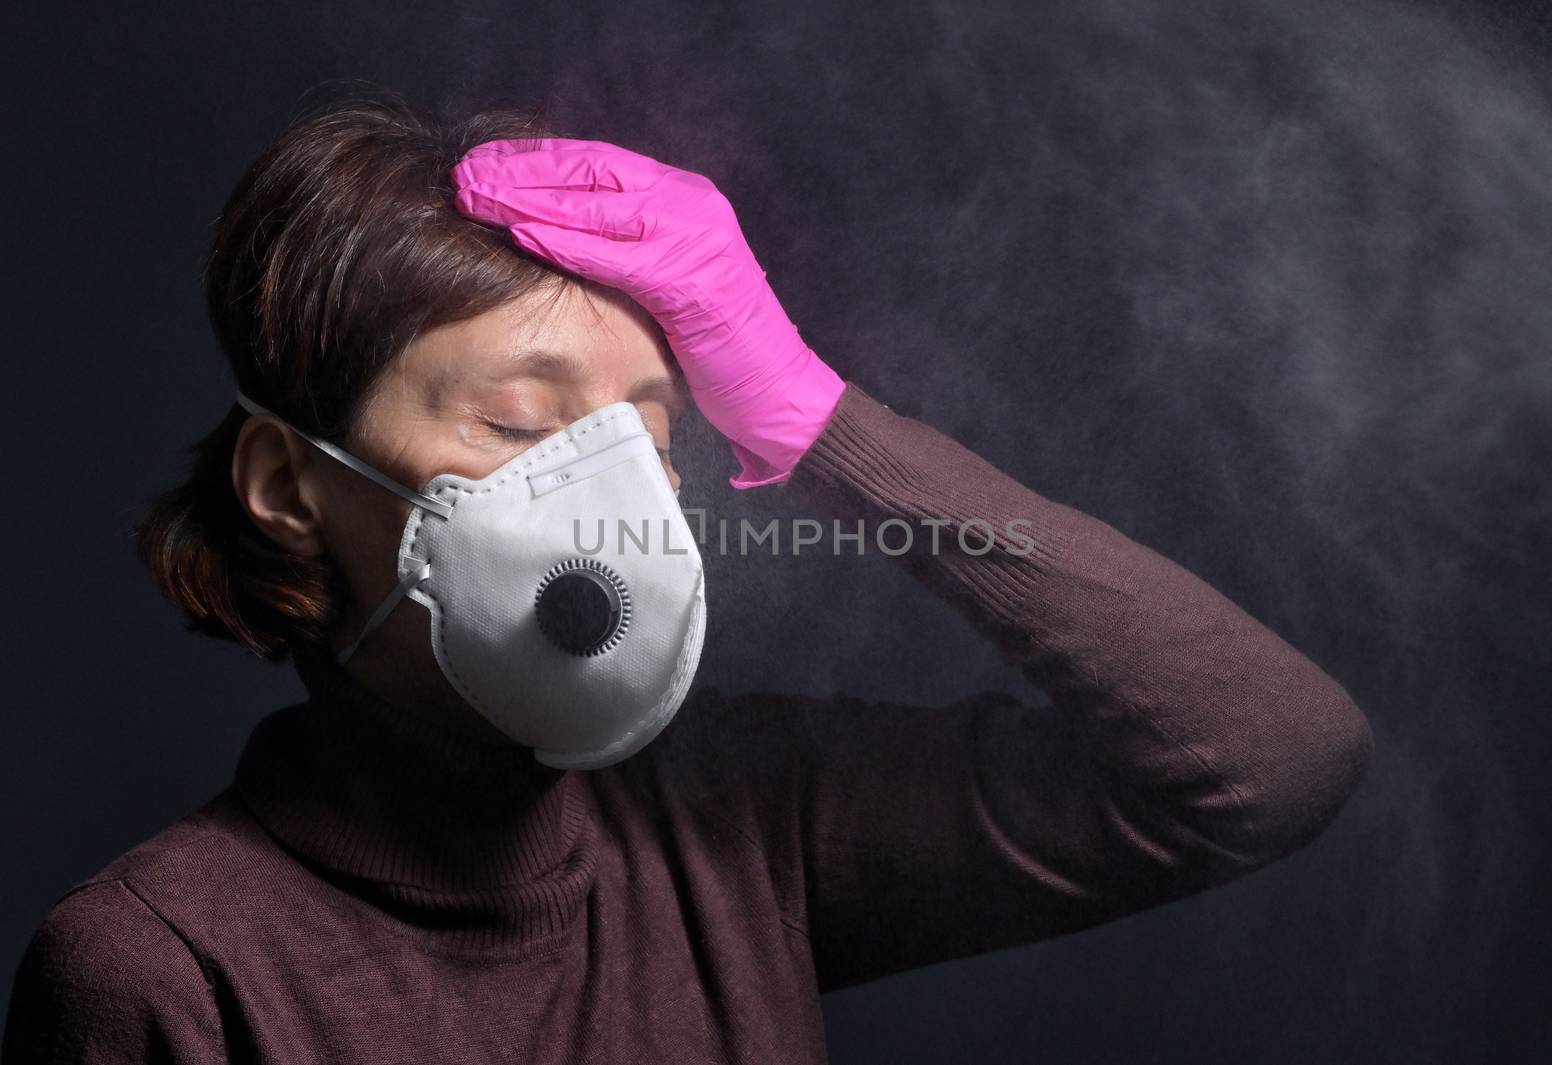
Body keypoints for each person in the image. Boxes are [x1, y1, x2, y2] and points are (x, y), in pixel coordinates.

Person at [1, 93, 1375, 1063]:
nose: (615, 499)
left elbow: (1268, 754)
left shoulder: (746, 826)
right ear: (289, 484)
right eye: (528, 427)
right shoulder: (162, 968)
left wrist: (813, 421)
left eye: (655, 436)